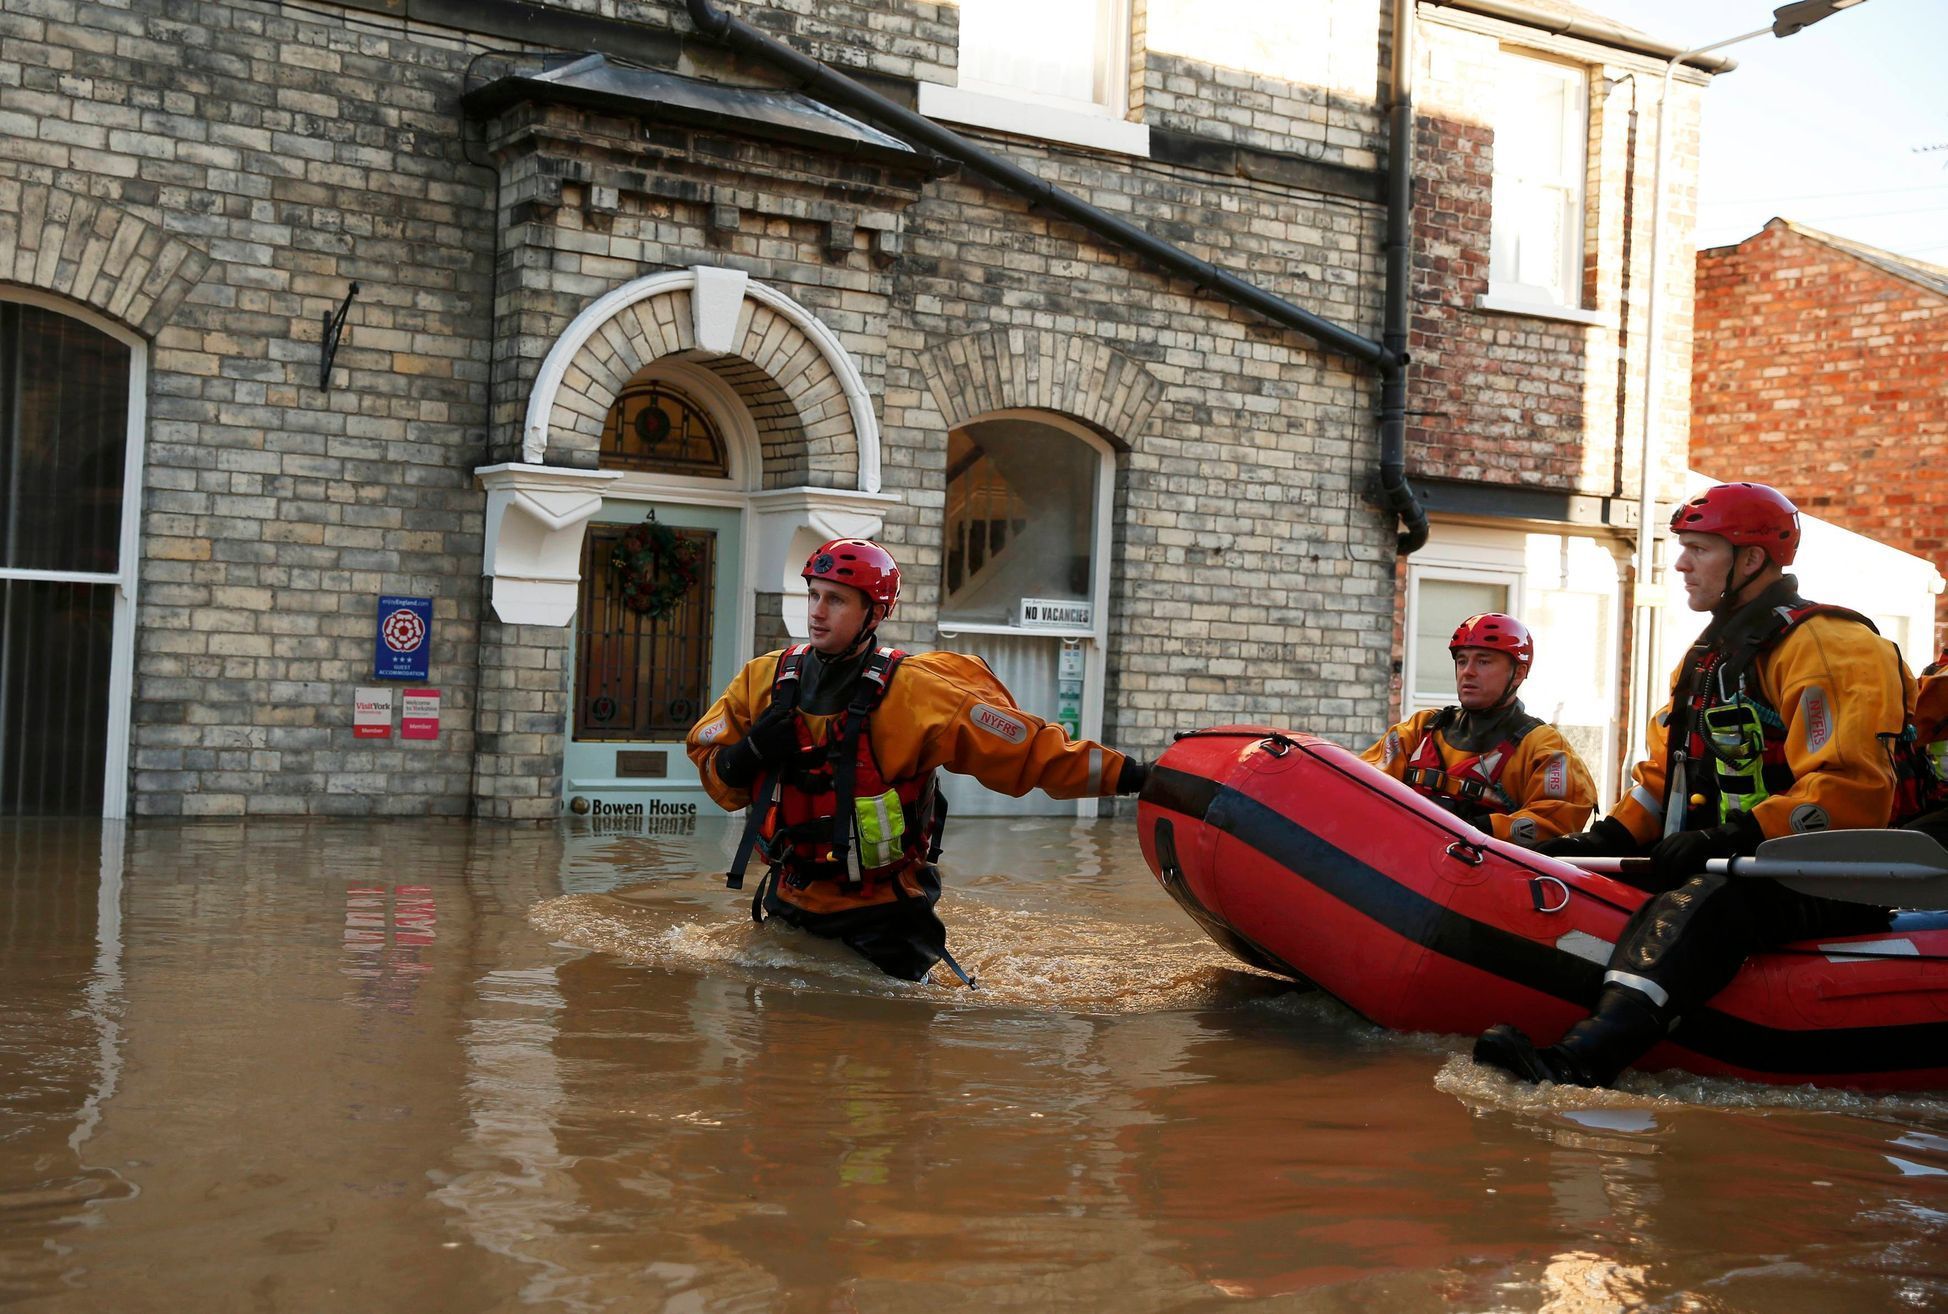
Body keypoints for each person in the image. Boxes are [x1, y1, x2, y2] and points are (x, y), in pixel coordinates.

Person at [1474, 482, 1938, 1088]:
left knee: (1708, 897)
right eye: (1683, 547)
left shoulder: (1830, 645)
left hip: (1832, 871)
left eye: (1699, 549)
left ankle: (1580, 1062)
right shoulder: (1706, 659)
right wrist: (1600, 841)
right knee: (1620, 875)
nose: (1682, 563)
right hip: (1735, 856)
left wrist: (1732, 837)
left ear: (1750, 561)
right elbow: (1665, 780)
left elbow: (1849, 788)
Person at [686, 537, 1148, 986]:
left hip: (885, 916)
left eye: (836, 600)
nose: (817, 611)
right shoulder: (763, 679)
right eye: (813, 595)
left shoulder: (920, 693)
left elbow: (1033, 754)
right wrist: (751, 752)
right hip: (789, 899)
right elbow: (708, 759)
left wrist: (1134, 777)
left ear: (875, 613)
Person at [1361, 613, 1596, 845]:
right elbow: (1362, 784)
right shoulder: (1421, 728)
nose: (1468, 672)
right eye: (1462, 661)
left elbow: (1556, 819)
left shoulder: (1544, 747)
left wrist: (1480, 829)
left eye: (1483, 661)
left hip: (1478, 871)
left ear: (1519, 673)